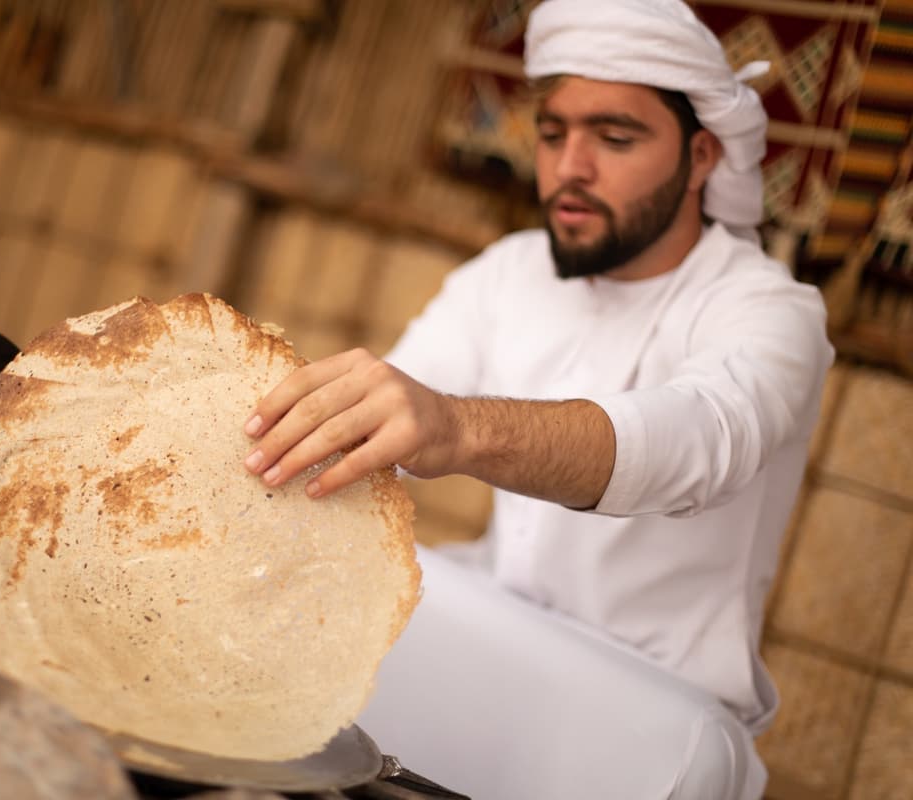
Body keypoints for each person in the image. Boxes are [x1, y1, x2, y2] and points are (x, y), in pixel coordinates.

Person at [242, 0, 833, 796]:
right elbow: (368, 438)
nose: (570, 167)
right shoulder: (510, 272)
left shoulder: (769, 313)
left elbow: (693, 444)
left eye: (615, 138)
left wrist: (454, 426)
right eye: (554, 134)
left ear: (700, 157)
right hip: (496, 639)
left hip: (651, 714)